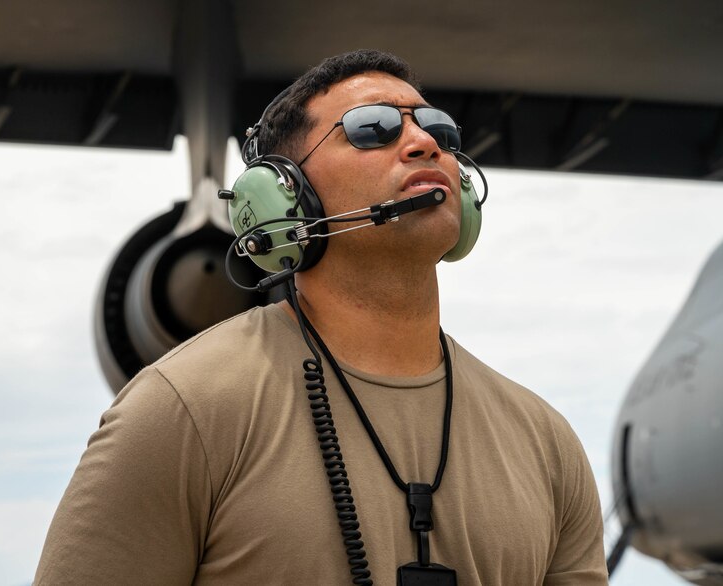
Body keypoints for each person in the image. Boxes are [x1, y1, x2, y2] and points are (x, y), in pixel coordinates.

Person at [34, 50, 608, 585]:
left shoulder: (547, 443)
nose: (423, 144)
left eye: (439, 130)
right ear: (284, 198)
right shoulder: (182, 410)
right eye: (372, 129)